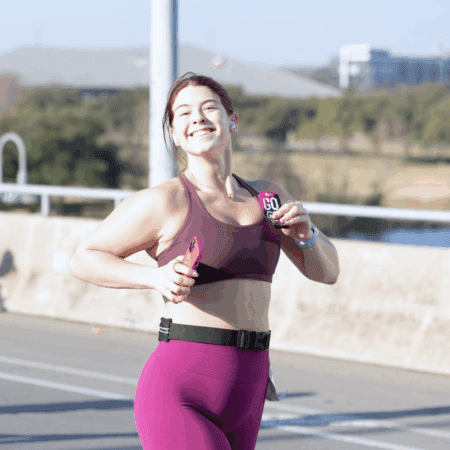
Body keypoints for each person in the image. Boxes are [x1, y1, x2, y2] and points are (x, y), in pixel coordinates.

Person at [69, 72, 340, 450]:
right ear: (176, 135)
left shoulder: (267, 197)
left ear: (232, 121)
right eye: (183, 114)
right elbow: (84, 258)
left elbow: (327, 273)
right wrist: (156, 278)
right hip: (182, 386)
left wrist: (307, 236)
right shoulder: (167, 201)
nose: (197, 117)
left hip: (250, 384)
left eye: (208, 107)